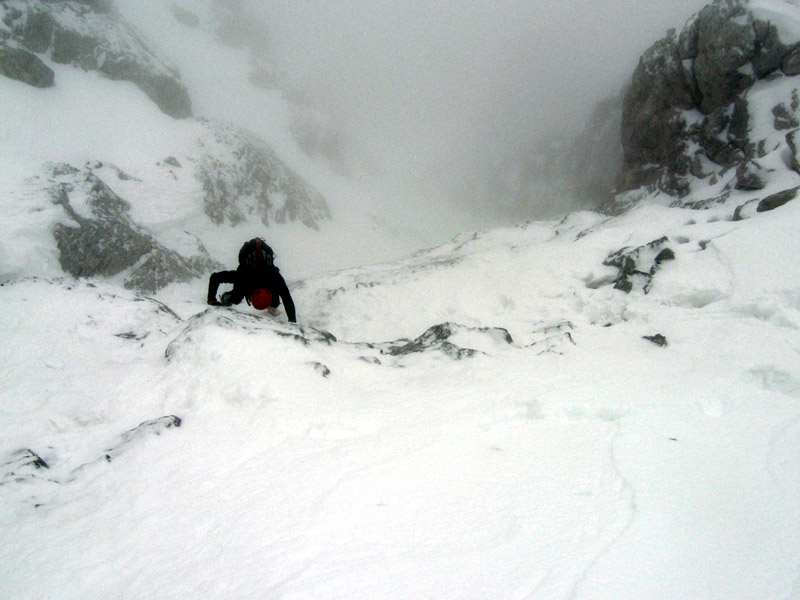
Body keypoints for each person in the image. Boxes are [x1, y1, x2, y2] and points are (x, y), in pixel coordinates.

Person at [207, 238, 296, 323]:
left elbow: (215, 277)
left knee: (237, 298)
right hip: (250, 278)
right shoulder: (272, 277)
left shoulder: (247, 277)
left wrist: (211, 299)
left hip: (249, 279)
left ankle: (228, 298)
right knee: (236, 298)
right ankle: (228, 298)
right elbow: (287, 298)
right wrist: (292, 320)